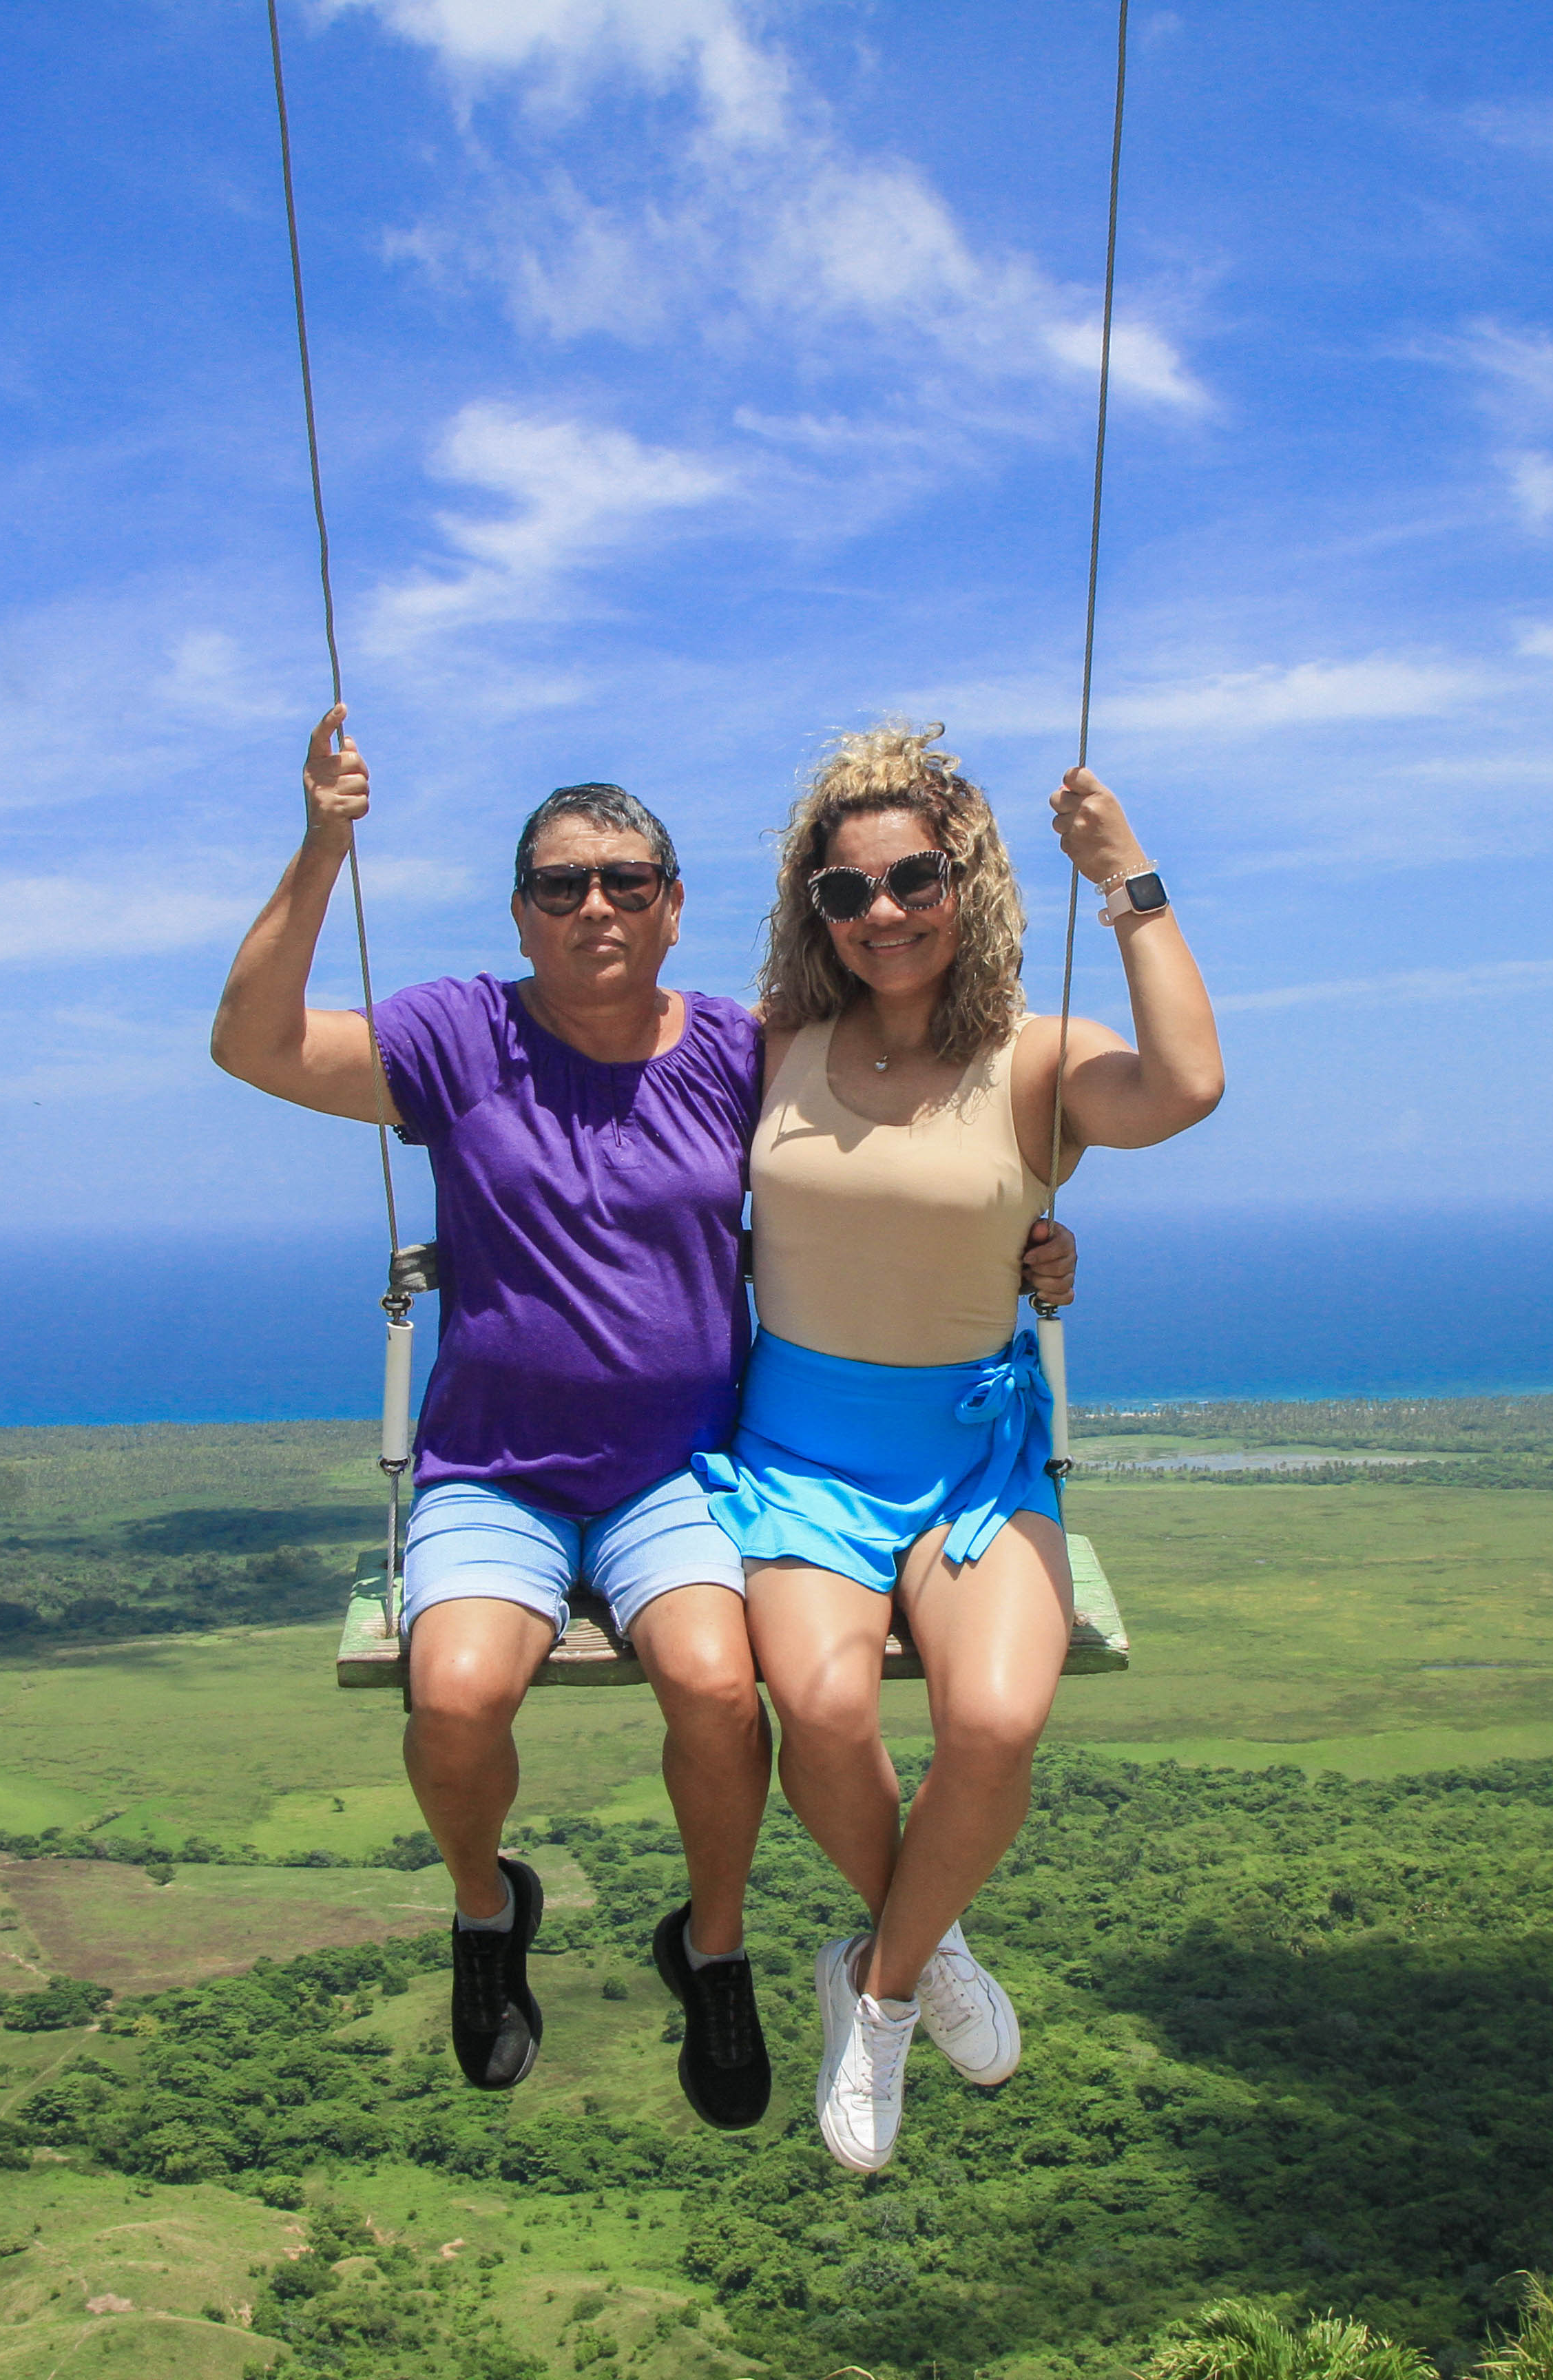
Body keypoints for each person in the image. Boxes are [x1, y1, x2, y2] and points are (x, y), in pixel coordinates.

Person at [207, 706, 1076, 2130]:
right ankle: (491, 1914)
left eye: (625, 882)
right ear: (523, 914)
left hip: (679, 1471)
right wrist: (322, 845)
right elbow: (254, 1044)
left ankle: (715, 1951)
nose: (594, 905)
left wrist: (1031, 1250)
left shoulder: (745, 1052)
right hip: (493, 1469)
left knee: (721, 1693)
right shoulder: (458, 1035)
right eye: (562, 885)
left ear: (676, 912)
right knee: (459, 1696)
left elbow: (908, 1145)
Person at [702, 722, 1220, 2173]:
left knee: (993, 1725)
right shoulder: (770, 1050)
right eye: (847, 892)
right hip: (799, 1451)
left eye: (914, 879)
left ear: (970, 878)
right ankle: (925, 1960)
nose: (883, 915)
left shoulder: (1034, 1058)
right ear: (817, 907)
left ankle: (868, 1988)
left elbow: (1184, 1087)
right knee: (818, 1705)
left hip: (974, 1455)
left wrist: (1126, 879)